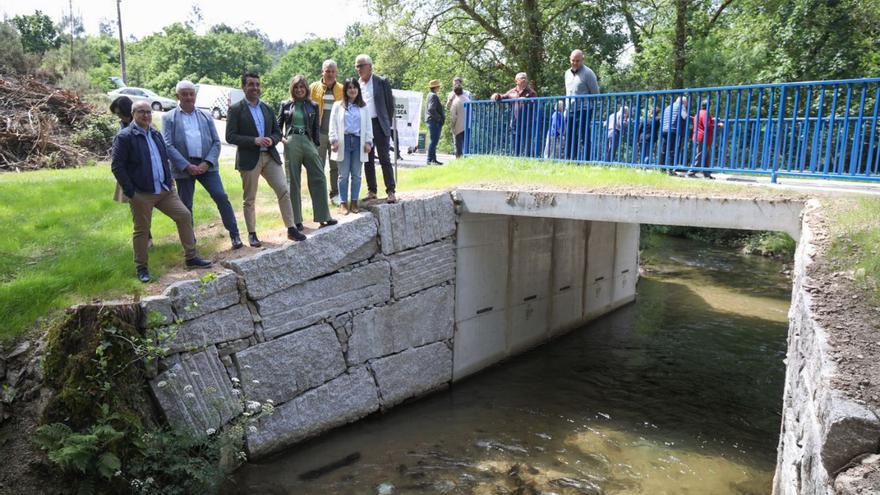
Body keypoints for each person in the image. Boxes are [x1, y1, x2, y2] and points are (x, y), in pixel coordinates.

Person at [111, 100, 212, 283]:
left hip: (164, 190)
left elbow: (163, 158)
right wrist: (131, 192)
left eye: (148, 112)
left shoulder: (155, 133)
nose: (146, 115)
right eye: (141, 112)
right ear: (133, 114)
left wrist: (168, 180)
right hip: (141, 193)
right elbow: (117, 167)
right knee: (142, 230)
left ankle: (191, 257)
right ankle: (141, 267)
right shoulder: (124, 137)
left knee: (184, 215)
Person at [162, 80, 243, 250]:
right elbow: (168, 145)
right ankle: (190, 244)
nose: (189, 97)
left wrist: (207, 163)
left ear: (195, 95)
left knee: (221, 196)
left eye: (191, 94)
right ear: (178, 96)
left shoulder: (206, 116)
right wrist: (186, 166)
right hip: (184, 168)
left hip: (207, 166)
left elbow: (216, 142)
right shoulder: (168, 117)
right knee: (186, 207)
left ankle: (234, 234)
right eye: (185, 94)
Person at [226, 71, 303, 247]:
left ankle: (291, 228)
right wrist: (254, 140)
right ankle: (252, 234)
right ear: (243, 87)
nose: (255, 88)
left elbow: (277, 132)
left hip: (269, 156)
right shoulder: (236, 109)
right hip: (249, 158)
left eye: (257, 84)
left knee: (284, 190)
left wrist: (272, 140)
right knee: (250, 198)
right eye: (251, 84)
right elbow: (230, 136)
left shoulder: (267, 108)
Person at [278, 75, 337, 230]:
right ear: (292, 89)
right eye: (296, 87)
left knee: (319, 177)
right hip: (292, 142)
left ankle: (324, 216)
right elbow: (277, 127)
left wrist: (315, 145)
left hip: (308, 141)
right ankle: (296, 220)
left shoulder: (313, 105)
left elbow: (316, 129)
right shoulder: (285, 105)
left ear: (306, 89)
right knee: (293, 182)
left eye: (302, 87)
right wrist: (283, 139)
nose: (299, 90)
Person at [355, 54, 397, 204]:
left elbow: (389, 105)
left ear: (370, 66)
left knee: (385, 158)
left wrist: (386, 122)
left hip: (380, 124)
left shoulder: (381, 81)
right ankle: (372, 190)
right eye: (357, 66)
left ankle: (391, 191)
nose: (359, 69)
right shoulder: (356, 84)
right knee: (368, 159)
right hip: (365, 126)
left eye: (361, 66)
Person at [329, 78, 373, 216]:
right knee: (343, 175)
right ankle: (343, 202)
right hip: (344, 142)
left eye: (355, 87)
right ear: (345, 90)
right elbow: (333, 124)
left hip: (359, 142)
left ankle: (354, 202)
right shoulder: (338, 105)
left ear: (358, 90)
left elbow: (368, 126)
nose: (352, 90)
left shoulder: (363, 107)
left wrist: (368, 142)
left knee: (357, 175)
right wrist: (333, 140)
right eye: (349, 88)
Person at [309, 60, 344, 205]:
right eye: (327, 71)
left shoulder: (342, 89)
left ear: (336, 73)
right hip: (319, 133)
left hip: (336, 134)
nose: (330, 74)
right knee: (319, 165)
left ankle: (335, 194)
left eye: (333, 71)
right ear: (322, 72)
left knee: (335, 165)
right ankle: (319, 195)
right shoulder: (313, 87)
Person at [564, 49, 600, 161]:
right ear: (570, 59)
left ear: (582, 60)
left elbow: (595, 93)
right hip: (570, 109)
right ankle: (570, 159)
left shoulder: (588, 73)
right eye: (573, 60)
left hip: (584, 109)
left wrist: (590, 106)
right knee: (569, 135)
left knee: (584, 135)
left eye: (577, 61)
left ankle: (587, 160)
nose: (575, 63)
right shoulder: (567, 73)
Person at [492, 72, 538, 157]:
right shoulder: (512, 92)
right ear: (516, 81)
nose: (524, 79)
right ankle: (515, 159)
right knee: (515, 143)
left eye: (525, 78)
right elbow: (502, 97)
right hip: (515, 122)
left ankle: (528, 160)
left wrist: (527, 101)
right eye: (521, 78)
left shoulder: (531, 92)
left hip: (527, 123)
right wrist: (496, 96)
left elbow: (536, 104)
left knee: (527, 143)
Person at [690, 99, 723, 179]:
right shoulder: (705, 113)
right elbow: (707, 126)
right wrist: (718, 125)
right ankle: (691, 172)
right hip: (703, 138)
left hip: (699, 136)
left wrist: (712, 120)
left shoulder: (699, 113)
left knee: (706, 156)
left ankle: (706, 174)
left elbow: (702, 122)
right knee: (700, 155)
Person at [660, 96, 689, 175]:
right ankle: (670, 169)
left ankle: (661, 168)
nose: (686, 105)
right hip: (673, 129)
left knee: (663, 150)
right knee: (672, 150)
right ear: (684, 102)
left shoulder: (668, 107)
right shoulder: (681, 106)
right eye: (686, 103)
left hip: (664, 129)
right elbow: (685, 117)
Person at [425, 79, 445, 165]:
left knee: (434, 141)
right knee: (433, 141)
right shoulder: (433, 96)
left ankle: (433, 159)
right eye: (438, 86)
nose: (439, 88)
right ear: (435, 87)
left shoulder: (430, 95)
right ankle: (430, 160)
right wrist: (439, 118)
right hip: (433, 121)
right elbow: (431, 109)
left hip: (431, 121)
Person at [449, 86, 469, 158]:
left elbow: (453, 116)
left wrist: (452, 126)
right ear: (462, 91)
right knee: (466, 144)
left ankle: (459, 159)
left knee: (459, 145)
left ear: (454, 93)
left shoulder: (455, 102)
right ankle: (467, 158)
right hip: (468, 125)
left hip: (459, 126)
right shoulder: (468, 99)